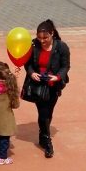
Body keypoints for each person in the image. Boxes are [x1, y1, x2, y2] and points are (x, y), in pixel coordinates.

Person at [23, 19, 70, 158]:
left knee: (48, 112)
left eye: (45, 37)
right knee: (43, 113)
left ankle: (42, 134)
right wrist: (32, 73)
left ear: (52, 34)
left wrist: (58, 77)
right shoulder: (33, 45)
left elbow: (65, 66)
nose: (42, 41)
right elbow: (27, 63)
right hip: (38, 85)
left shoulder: (61, 47)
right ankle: (47, 142)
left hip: (53, 85)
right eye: (39, 37)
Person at [0, 61, 19, 165]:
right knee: (4, 140)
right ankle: (3, 157)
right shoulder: (10, 88)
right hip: (6, 120)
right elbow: (16, 105)